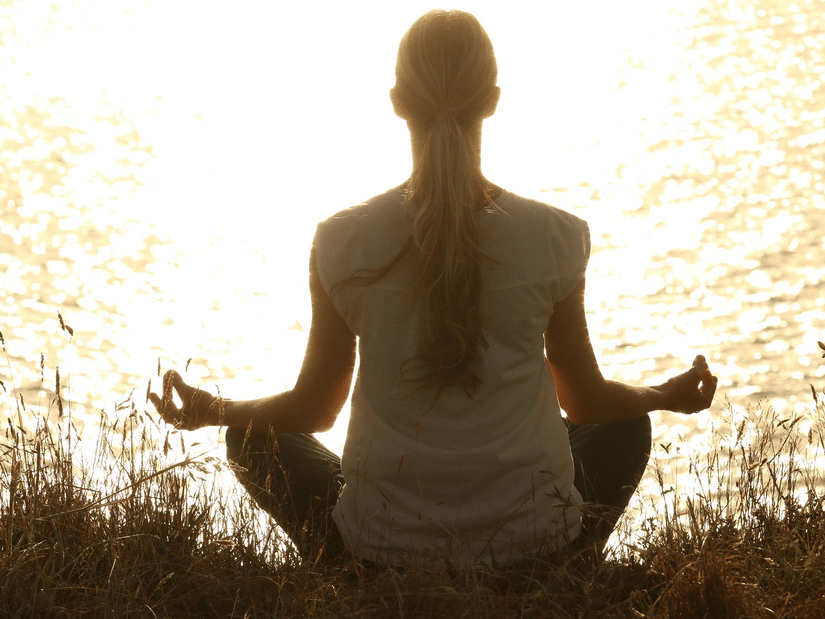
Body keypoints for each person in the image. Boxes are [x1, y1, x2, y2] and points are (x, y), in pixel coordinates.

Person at [150, 9, 717, 569]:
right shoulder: (556, 236)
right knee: (624, 422)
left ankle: (350, 569)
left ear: (397, 102)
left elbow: (314, 410)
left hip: (381, 548)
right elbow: (586, 401)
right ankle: (557, 563)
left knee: (252, 438)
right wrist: (663, 396)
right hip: (532, 541)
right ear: (493, 100)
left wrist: (213, 409)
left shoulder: (340, 240)